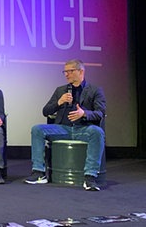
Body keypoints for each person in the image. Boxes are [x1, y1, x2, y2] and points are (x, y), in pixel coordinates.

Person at [24, 59, 106, 191]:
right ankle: (39, 173)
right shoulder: (60, 90)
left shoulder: (94, 90)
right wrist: (59, 102)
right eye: (65, 72)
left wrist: (83, 113)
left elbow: (100, 113)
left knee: (97, 132)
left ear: (81, 71)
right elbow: (45, 111)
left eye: (70, 71)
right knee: (37, 129)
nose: (66, 74)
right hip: (63, 129)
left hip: (83, 129)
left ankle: (90, 176)